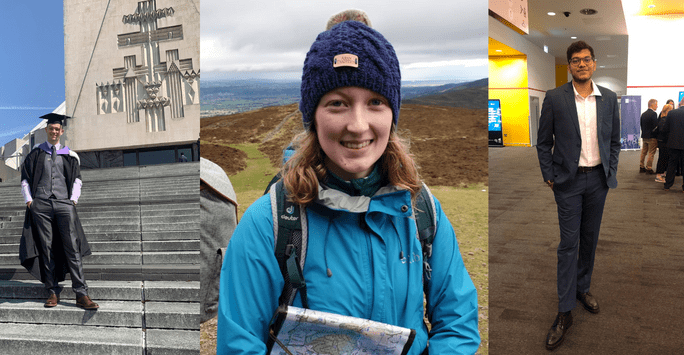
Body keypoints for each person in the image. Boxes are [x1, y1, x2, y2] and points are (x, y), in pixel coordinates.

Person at [217, 12, 480, 355]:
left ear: (392, 114)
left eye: (375, 102)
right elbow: (240, 344)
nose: (358, 125)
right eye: (337, 104)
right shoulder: (269, 223)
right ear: (313, 116)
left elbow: (457, 320)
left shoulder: (420, 208)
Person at [536, 41, 620, 351]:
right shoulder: (556, 98)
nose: (581, 64)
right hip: (568, 183)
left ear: (594, 64)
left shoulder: (609, 99)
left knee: (590, 238)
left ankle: (583, 288)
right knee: (568, 244)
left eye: (586, 60)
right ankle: (564, 311)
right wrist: (549, 174)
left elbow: (613, 141)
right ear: (570, 66)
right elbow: (543, 142)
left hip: (598, 180)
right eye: (575, 60)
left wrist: (610, 170)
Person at [19, 113, 98, 310]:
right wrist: (30, 201)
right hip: (42, 204)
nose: (54, 132)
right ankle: (52, 291)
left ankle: (81, 293)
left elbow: (78, 179)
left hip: (64, 203)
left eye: (57, 129)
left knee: (72, 246)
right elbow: (25, 179)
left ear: (61, 131)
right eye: (51, 129)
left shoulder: (70, 155)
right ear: (46, 130)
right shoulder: (35, 154)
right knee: (45, 247)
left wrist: (73, 199)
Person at [662, 98, 684, 191]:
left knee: (671, 164)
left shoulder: (672, 113)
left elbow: (665, 129)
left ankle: (667, 185)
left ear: (680, 103)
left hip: (673, 143)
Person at [655, 103, 674, 183]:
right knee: (662, 158)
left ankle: (661, 173)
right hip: (664, 142)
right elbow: (663, 131)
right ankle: (658, 176)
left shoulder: (662, 118)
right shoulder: (664, 120)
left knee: (664, 158)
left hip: (663, 141)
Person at [639, 99, 658, 173]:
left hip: (644, 136)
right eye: (656, 104)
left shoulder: (643, 114)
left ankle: (641, 166)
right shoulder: (654, 114)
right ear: (652, 105)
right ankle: (649, 168)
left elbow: (641, 125)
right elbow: (655, 126)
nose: (657, 106)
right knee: (651, 153)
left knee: (644, 152)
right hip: (652, 137)